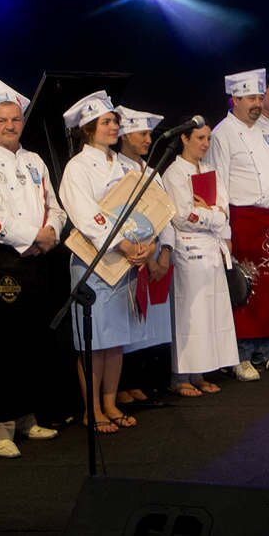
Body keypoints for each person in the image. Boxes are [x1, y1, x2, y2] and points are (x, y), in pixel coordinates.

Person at [0, 76, 66, 458]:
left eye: (16, 119)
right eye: (2, 120)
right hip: (1, 261)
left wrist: (52, 232)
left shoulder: (34, 160)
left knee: (30, 342)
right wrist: (33, 236)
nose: (10, 125)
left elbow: (55, 206)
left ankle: (24, 417)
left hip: (36, 261)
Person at [58, 90, 147, 433]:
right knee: (94, 341)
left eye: (115, 122)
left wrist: (144, 243)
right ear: (89, 128)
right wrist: (121, 242)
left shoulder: (124, 165)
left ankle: (110, 403)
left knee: (116, 339)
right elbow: (84, 214)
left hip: (125, 261)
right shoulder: (77, 167)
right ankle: (91, 409)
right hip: (92, 262)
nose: (113, 127)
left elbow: (142, 208)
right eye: (106, 122)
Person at [205, 68, 269, 379]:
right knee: (246, 288)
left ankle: (268, 350)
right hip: (243, 219)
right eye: (251, 98)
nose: (257, 104)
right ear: (234, 100)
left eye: (260, 97)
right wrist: (224, 231)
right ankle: (241, 355)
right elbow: (218, 184)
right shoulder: (222, 133)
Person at [163, 124, 236, 396]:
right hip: (188, 249)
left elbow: (225, 211)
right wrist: (212, 214)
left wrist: (210, 213)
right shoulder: (174, 173)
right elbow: (183, 216)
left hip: (212, 247)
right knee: (190, 314)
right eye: (200, 138)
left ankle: (200, 372)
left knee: (211, 313)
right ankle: (181, 375)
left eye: (208, 138)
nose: (205, 143)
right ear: (184, 138)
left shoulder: (210, 171)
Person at [114, 106, 174, 404]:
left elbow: (167, 214)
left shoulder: (152, 173)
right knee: (131, 322)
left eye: (150, 134)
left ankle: (147, 381)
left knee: (154, 325)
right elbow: (124, 218)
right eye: (142, 134)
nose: (149, 140)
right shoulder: (116, 171)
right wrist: (147, 256)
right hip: (133, 256)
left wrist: (165, 253)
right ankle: (124, 385)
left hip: (157, 254)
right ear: (125, 136)